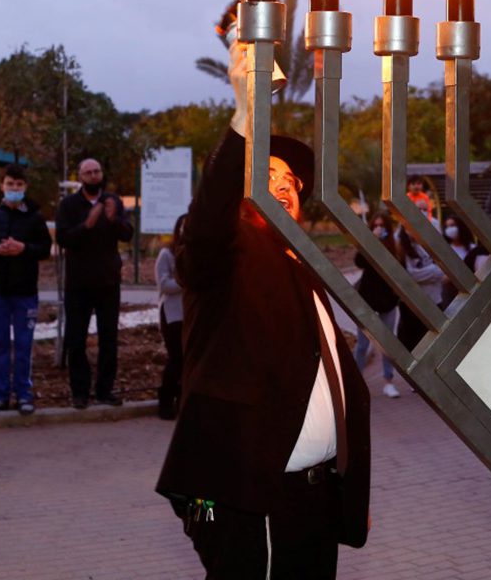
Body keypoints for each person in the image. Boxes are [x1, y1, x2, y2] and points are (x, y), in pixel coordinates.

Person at [156, 41, 370, 578]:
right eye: (264, 181)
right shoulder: (225, 257)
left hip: (315, 497)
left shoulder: (303, 267)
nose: (282, 191)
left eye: (289, 184)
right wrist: (247, 113)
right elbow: (208, 222)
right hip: (246, 496)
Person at [55, 158, 133, 408]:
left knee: (108, 339)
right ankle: (80, 392)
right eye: (88, 172)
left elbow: (127, 234)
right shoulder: (68, 205)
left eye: (97, 171)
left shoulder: (113, 201)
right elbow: (63, 239)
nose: (93, 176)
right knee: (76, 340)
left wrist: (113, 219)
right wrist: (87, 225)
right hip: (78, 283)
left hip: (108, 282)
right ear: (80, 177)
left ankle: (104, 390)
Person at [0, 163, 53, 415]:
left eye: (19, 185)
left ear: (25, 187)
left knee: (23, 344)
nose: (14, 188)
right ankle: (0, 395)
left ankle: (24, 394)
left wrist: (24, 248)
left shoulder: (35, 217)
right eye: (10, 184)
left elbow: (45, 248)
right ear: (2, 186)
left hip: (25, 290)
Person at [353, 211, 403, 399]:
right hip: (367, 299)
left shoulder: (394, 248)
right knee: (362, 344)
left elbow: (398, 270)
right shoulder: (367, 245)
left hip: (388, 301)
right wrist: (370, 243)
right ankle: (356, 382)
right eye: (376, 225)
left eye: (382, 226)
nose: (379, 229)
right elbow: (359, 262)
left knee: (387, 342)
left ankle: (388, 381)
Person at [395, 223, 446, 354]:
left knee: (437, 347)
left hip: (435, 302)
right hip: (414, 308)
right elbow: (411, 275)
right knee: (417, 349)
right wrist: (435, 272)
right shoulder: (402, 248)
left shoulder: (427, 246)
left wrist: (432, 272)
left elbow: (443, 268)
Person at [154, 213, 186, 420]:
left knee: (190, 360)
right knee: (177, 358)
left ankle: (183, 401)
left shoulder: (198, 254)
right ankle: (165, 401)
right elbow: (164, 284)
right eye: (183, 227)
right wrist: (186, 282)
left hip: (193, 315)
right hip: (173, 314)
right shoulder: (166, 254)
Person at [440, 214, 474, 308]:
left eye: (452, 225)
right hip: (449, 292)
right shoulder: (444, 249)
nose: (450, 229)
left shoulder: (472, 249)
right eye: (447, 226)